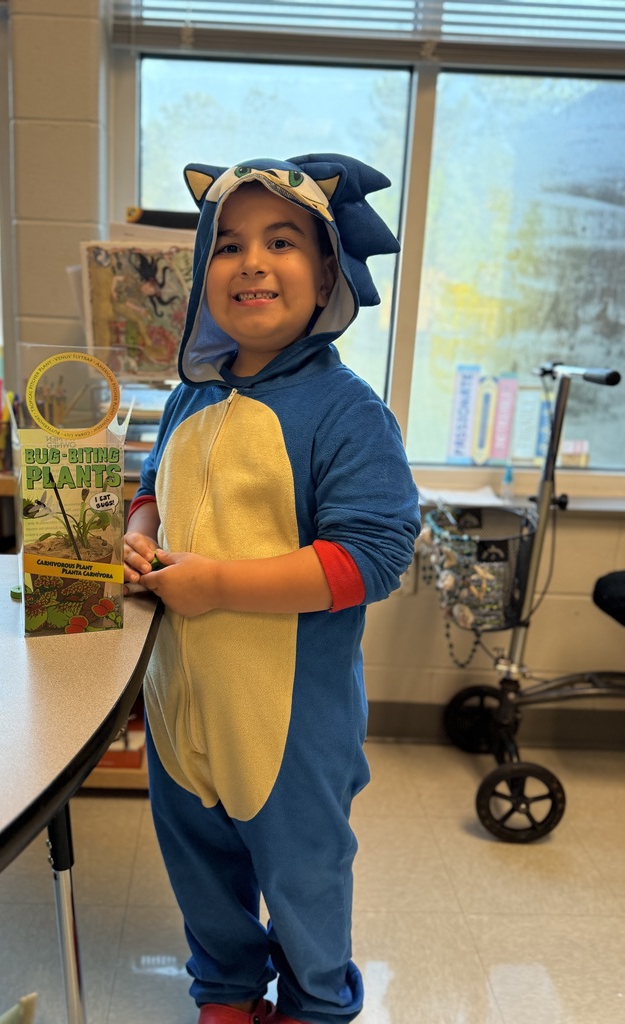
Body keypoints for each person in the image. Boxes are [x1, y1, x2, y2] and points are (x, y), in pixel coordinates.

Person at [123, 154, 420, 1024]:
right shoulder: (189, 400)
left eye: (282, 241)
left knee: (303, 877)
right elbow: (153, 487)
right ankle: (224, 995)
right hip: (183, 708)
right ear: (203, 275)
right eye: (229, 244)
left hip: (291, 726)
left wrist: (216, 582)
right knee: (200, 870)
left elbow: (371, 556)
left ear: (328, 269)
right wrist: (142, 536)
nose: (251, 262)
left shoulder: (346, 412)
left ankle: (316, 1005)